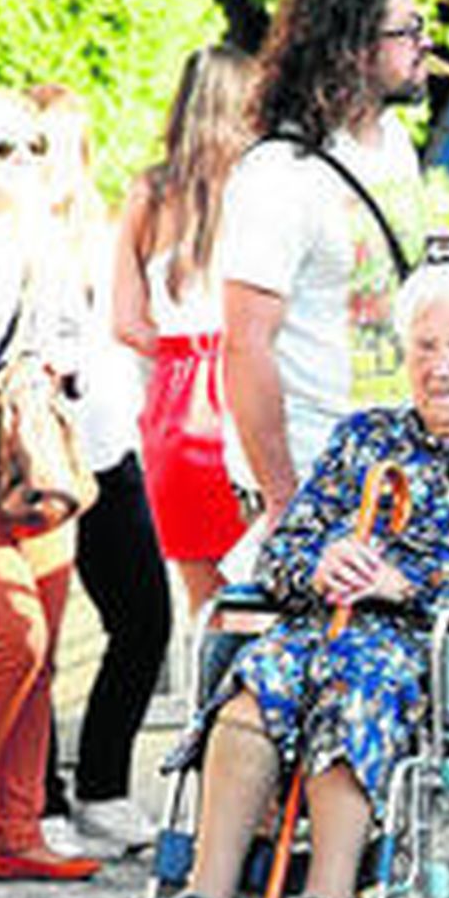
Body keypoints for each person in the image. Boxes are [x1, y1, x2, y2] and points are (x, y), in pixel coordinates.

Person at [135, 261, 449, 898]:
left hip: (444, 650)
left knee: (357, 678)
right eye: (424, 347)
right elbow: (281, 551)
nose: (440, 367)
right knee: (258, 682)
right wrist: (321, 563)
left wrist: (412, 585)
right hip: (324, 627)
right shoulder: (365, 439)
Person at [220, 0, 430, 543]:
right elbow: (244, 344)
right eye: (408, 31)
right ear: (355, 47)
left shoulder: (395, 145)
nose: (425, 44)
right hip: (313, 469)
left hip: (394, 467)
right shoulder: (280, 174)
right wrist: (283, 496)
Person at [26, 83, 175, 859]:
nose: (43, 164)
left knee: (146, 619)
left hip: (113, 453)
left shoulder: (107, 230)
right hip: (36, 462)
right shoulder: (2, 241)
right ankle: (37, 798)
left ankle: (104, 787)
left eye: (56, 147)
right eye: (27, 146)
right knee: (36, 639)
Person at [0, 82, 97, 881]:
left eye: (32, 146)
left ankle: (19, 829)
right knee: (14, 635)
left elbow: (76, 337)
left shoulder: (45, 237)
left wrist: (41, 369)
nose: (21, 161)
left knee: (45, 647)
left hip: (37, 449)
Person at [115, 47, 256, 612]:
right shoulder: (261, 184)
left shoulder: (149, 192)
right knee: (270, 596)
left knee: (210, 610)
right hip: (248, 385)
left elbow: (125, 322)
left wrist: (182, 352)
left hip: (178, 400)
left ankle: (211, 701)